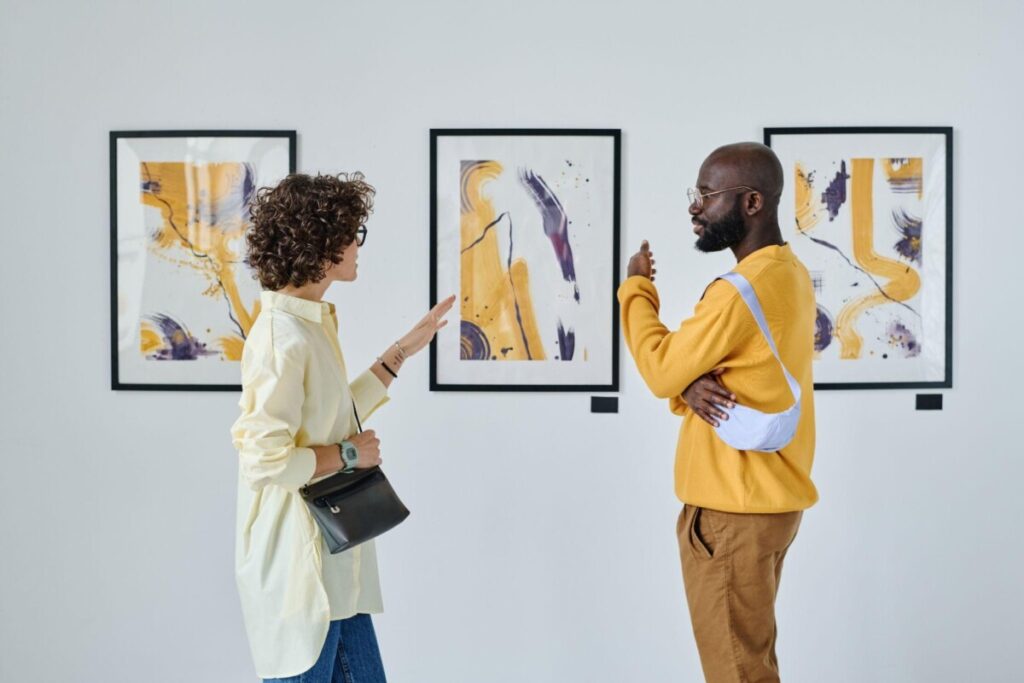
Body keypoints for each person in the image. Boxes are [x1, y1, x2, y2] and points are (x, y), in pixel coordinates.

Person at [230, 172, 455, 682]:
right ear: (319, 242)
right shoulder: (279, 337)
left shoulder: (310, 323)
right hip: (301, 574)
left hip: (337, 568)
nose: (357, 245)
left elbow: (331, 416)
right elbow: (264, 460)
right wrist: (351, 456)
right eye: (351, 233)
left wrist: (401, 351)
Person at [618, 143, 818, 682]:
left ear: (752, 202)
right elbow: (739, 374)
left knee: (735, 672)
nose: (695, 207)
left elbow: (662, 368)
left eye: (707, 194)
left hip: (732, 511)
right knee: (752, 664)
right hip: (767, 501)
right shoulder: (789, 272)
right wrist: (688, 389)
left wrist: (636, 288)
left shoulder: (741, 291)